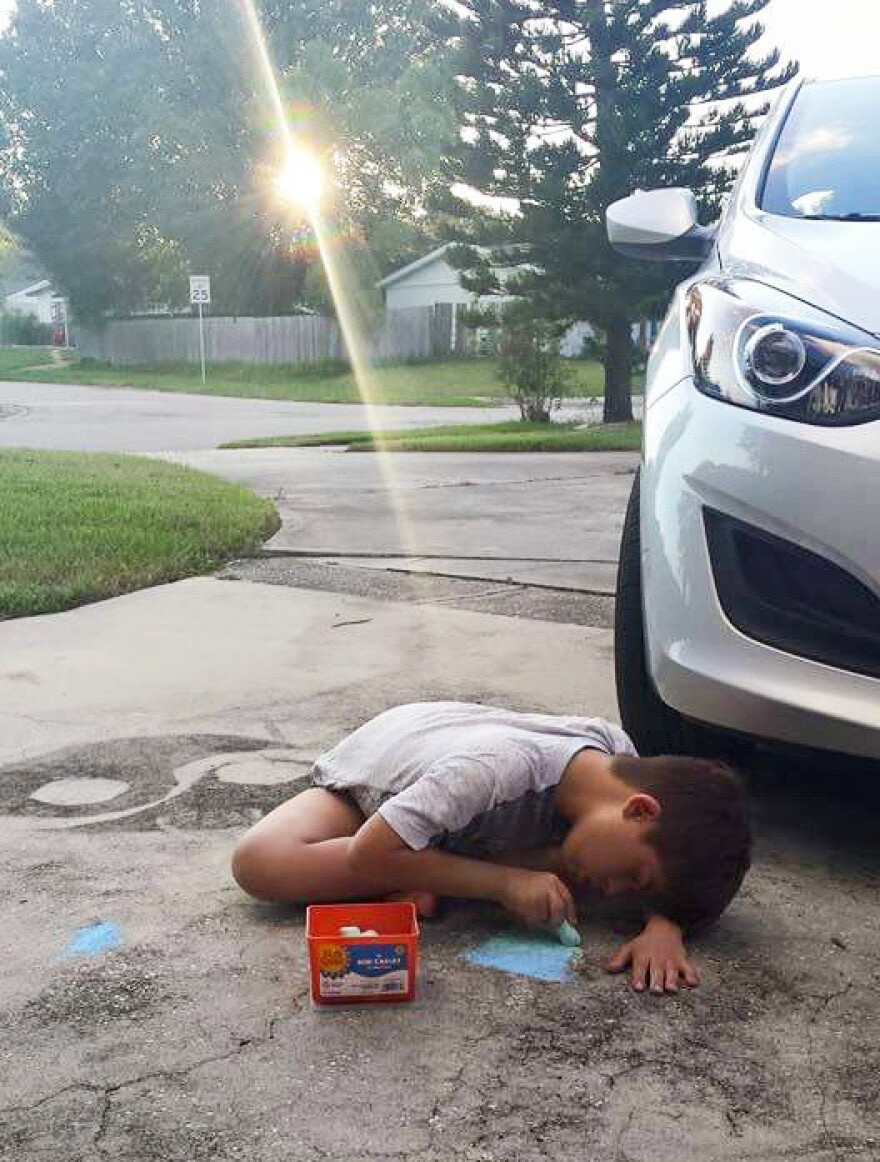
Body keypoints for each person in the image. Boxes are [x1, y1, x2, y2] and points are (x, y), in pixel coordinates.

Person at [232, 701, 751, 995]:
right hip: (378, 780)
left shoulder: (620, 762)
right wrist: (503, 883)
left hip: (450, 804)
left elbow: (694, 842)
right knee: (262, 864)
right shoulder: (494, 769)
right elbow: (364, 856)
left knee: (568, 870)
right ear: (639, 810)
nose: (615, 893)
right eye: (635, 882)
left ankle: (425, 869)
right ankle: (418, 868)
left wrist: (665, 922)